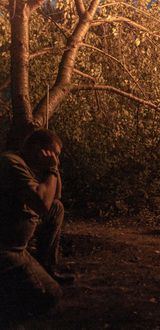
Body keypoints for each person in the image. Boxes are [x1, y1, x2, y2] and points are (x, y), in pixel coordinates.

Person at [0, 128, 73, 318]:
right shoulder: (12, 163)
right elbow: (41, 204)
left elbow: (54, 198)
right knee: (50, 295)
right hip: (6, 248)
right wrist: (51, 169)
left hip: (16, 243)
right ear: (37, 149)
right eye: (53, 154)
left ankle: (46, 266)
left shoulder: (32, 168)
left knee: (57, 207)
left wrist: (52, 170)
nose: (55, 159)